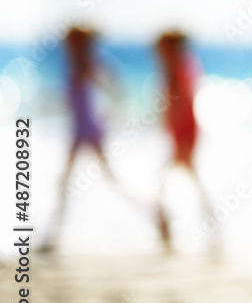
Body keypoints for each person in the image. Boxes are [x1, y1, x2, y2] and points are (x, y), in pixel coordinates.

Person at [43, 26, 150, 251]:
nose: (68, 45)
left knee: (106, 181)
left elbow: (113, 86)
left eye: (73, 41)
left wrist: (113, 112)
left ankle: (153, 213)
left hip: (89, 131)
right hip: (80, 131)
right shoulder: (77, 63)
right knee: (68, 182)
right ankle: (52, 237)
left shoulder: (87, 64)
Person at [154, 30, 213, 251]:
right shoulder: (180, 68)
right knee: (187, 184)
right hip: (182, 137)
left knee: (167, 184)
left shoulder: (177, 70)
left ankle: (167, 228)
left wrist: (182, 141)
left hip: (184, 137)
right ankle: (210, 234)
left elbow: (182, 107)